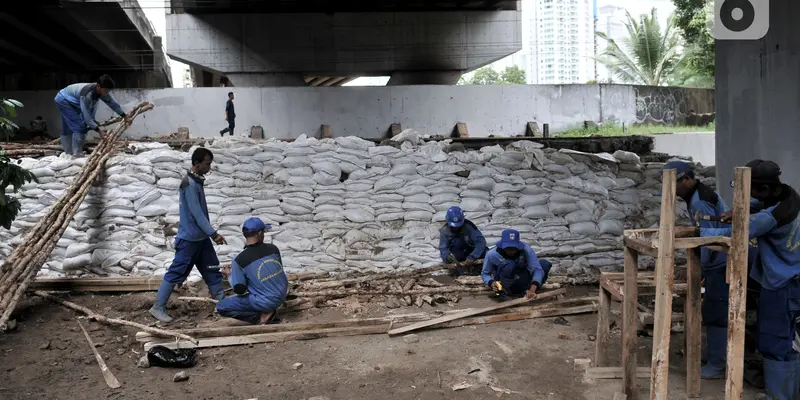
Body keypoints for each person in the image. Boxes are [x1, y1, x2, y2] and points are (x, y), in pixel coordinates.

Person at [701, 160, 800, 399]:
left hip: (781, 283)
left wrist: (698, 232)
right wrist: (738, 211)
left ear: (765, 189)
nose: (747, 195)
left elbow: (736, 233)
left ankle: (780, 397)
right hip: (791, 278)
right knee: (785, 339)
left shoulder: (769, 217)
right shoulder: (788, 194)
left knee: (774, 342)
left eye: (751, 189)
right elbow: (756, 205)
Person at [665, 160, 731, 379]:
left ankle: (718, 364)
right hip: (716, 261)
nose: (673, 192)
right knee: (713, 310)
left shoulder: (700, 201)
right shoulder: (695, 197)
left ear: (686, 179)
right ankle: (715, 357)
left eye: (675, 185)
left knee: (716, 313)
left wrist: (699, 267)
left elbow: (711, 239)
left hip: (720, 262)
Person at [150, 148, 228, 323]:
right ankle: (158, 307)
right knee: (176, 272)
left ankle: (223, 305)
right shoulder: (189, 185)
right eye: (207, 164)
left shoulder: (196, 182)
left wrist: (208, 235)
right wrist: (213, 234)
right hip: (190, 240)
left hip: (201, 239)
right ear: (197, 164)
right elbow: (196, 214)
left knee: (212, 270)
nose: (209, 167)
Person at [216, 217, 288, 325]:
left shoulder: (239, 260)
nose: (264, 234)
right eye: (263, 232)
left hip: (266, 302)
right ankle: (268, 308)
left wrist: (230, 275)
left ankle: (261, 316)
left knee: (221, 307)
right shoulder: (273, 249)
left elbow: (240, 290)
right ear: (259, 233)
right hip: (283, 294)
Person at [54, 75, 131, 156]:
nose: (107, 93)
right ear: (98, 86)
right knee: (79, 126)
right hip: (64, 100)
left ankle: (69, 153)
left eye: (108, 90)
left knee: (69, 127)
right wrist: (99, 131)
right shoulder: (87, 95)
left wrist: (124, 116)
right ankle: (77, 153)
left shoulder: (101, 91)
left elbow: (112, 103)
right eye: (106, 90)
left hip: (72, 101)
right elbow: (86, 115)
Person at [481, 229, 552, 299]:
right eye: (508, 248)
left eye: (514, 248)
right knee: (509, 264)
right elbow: (485, 273)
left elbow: (537, 269)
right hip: (505, 283)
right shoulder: (492, 254)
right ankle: (504, 292)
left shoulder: (526, 250)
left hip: (522, 279)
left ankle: (526, 292)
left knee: (545, 264)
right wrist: (491, 282)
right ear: (502, 246)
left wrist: (532, 289)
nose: (511, 251)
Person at [439, 206, 487, 274]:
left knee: (487, 252)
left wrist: (473, 256)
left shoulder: (469, 227)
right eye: (453, 226)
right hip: (457, 258)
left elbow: (481, 242)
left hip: (471, 254)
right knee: (457, 274)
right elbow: (443, 248)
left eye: (458, 226)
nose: (456, 228)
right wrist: (447, 256)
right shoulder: (444, 231)